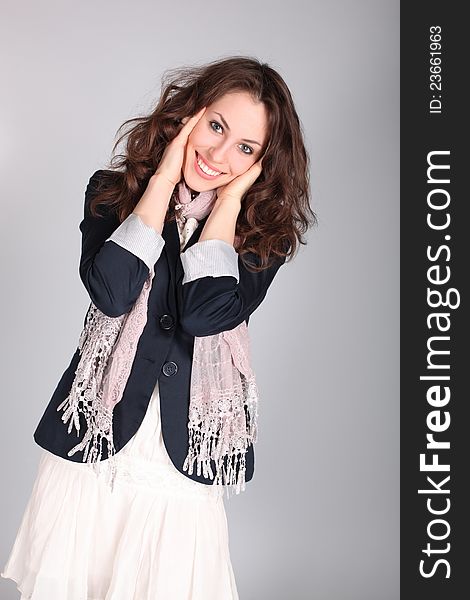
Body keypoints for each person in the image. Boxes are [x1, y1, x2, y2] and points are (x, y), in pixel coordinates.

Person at [1, 55, 315, 600]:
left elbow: (204, 312)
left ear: (262, 163)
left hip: (182, 454)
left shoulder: (264, 237)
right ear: (189, 116)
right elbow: (113, 290)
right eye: (215, 126)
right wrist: (164, 178)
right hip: (92, 441)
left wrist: (230, 204)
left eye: (246, 148)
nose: (219, 154)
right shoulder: (112, 193)